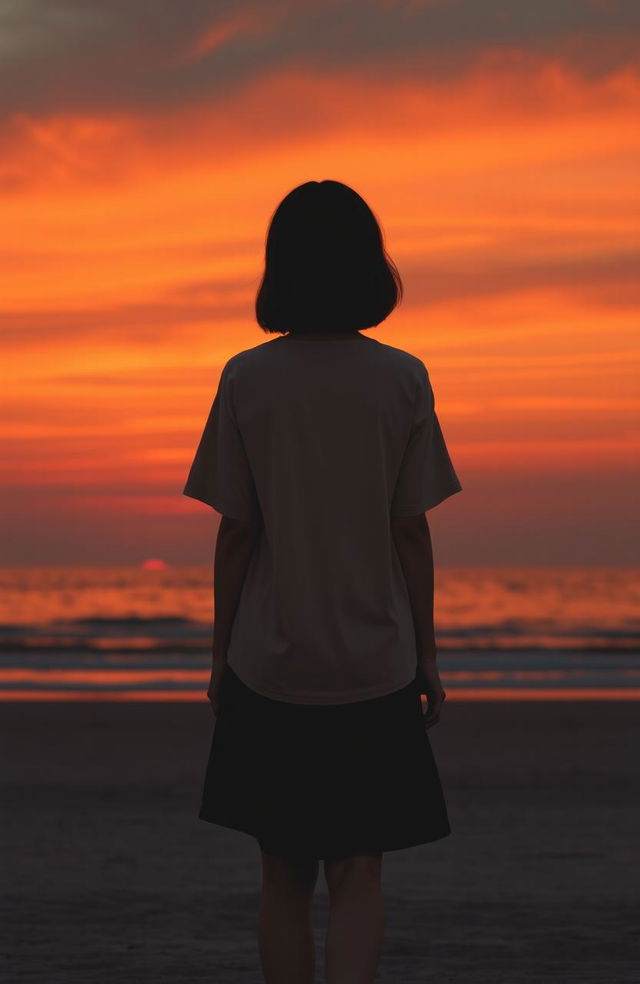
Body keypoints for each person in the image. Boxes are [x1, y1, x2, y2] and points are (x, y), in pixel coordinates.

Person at [183, 180, 463, 983]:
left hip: (270, 664)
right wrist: (429, 655)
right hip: (373, 663)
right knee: (359, 872)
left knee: (281, 875)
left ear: (281, 269)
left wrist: (217, 657)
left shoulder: (246, 378)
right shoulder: (403, 378)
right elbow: (410, 529)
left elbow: (237, 533)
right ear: (369, 266)